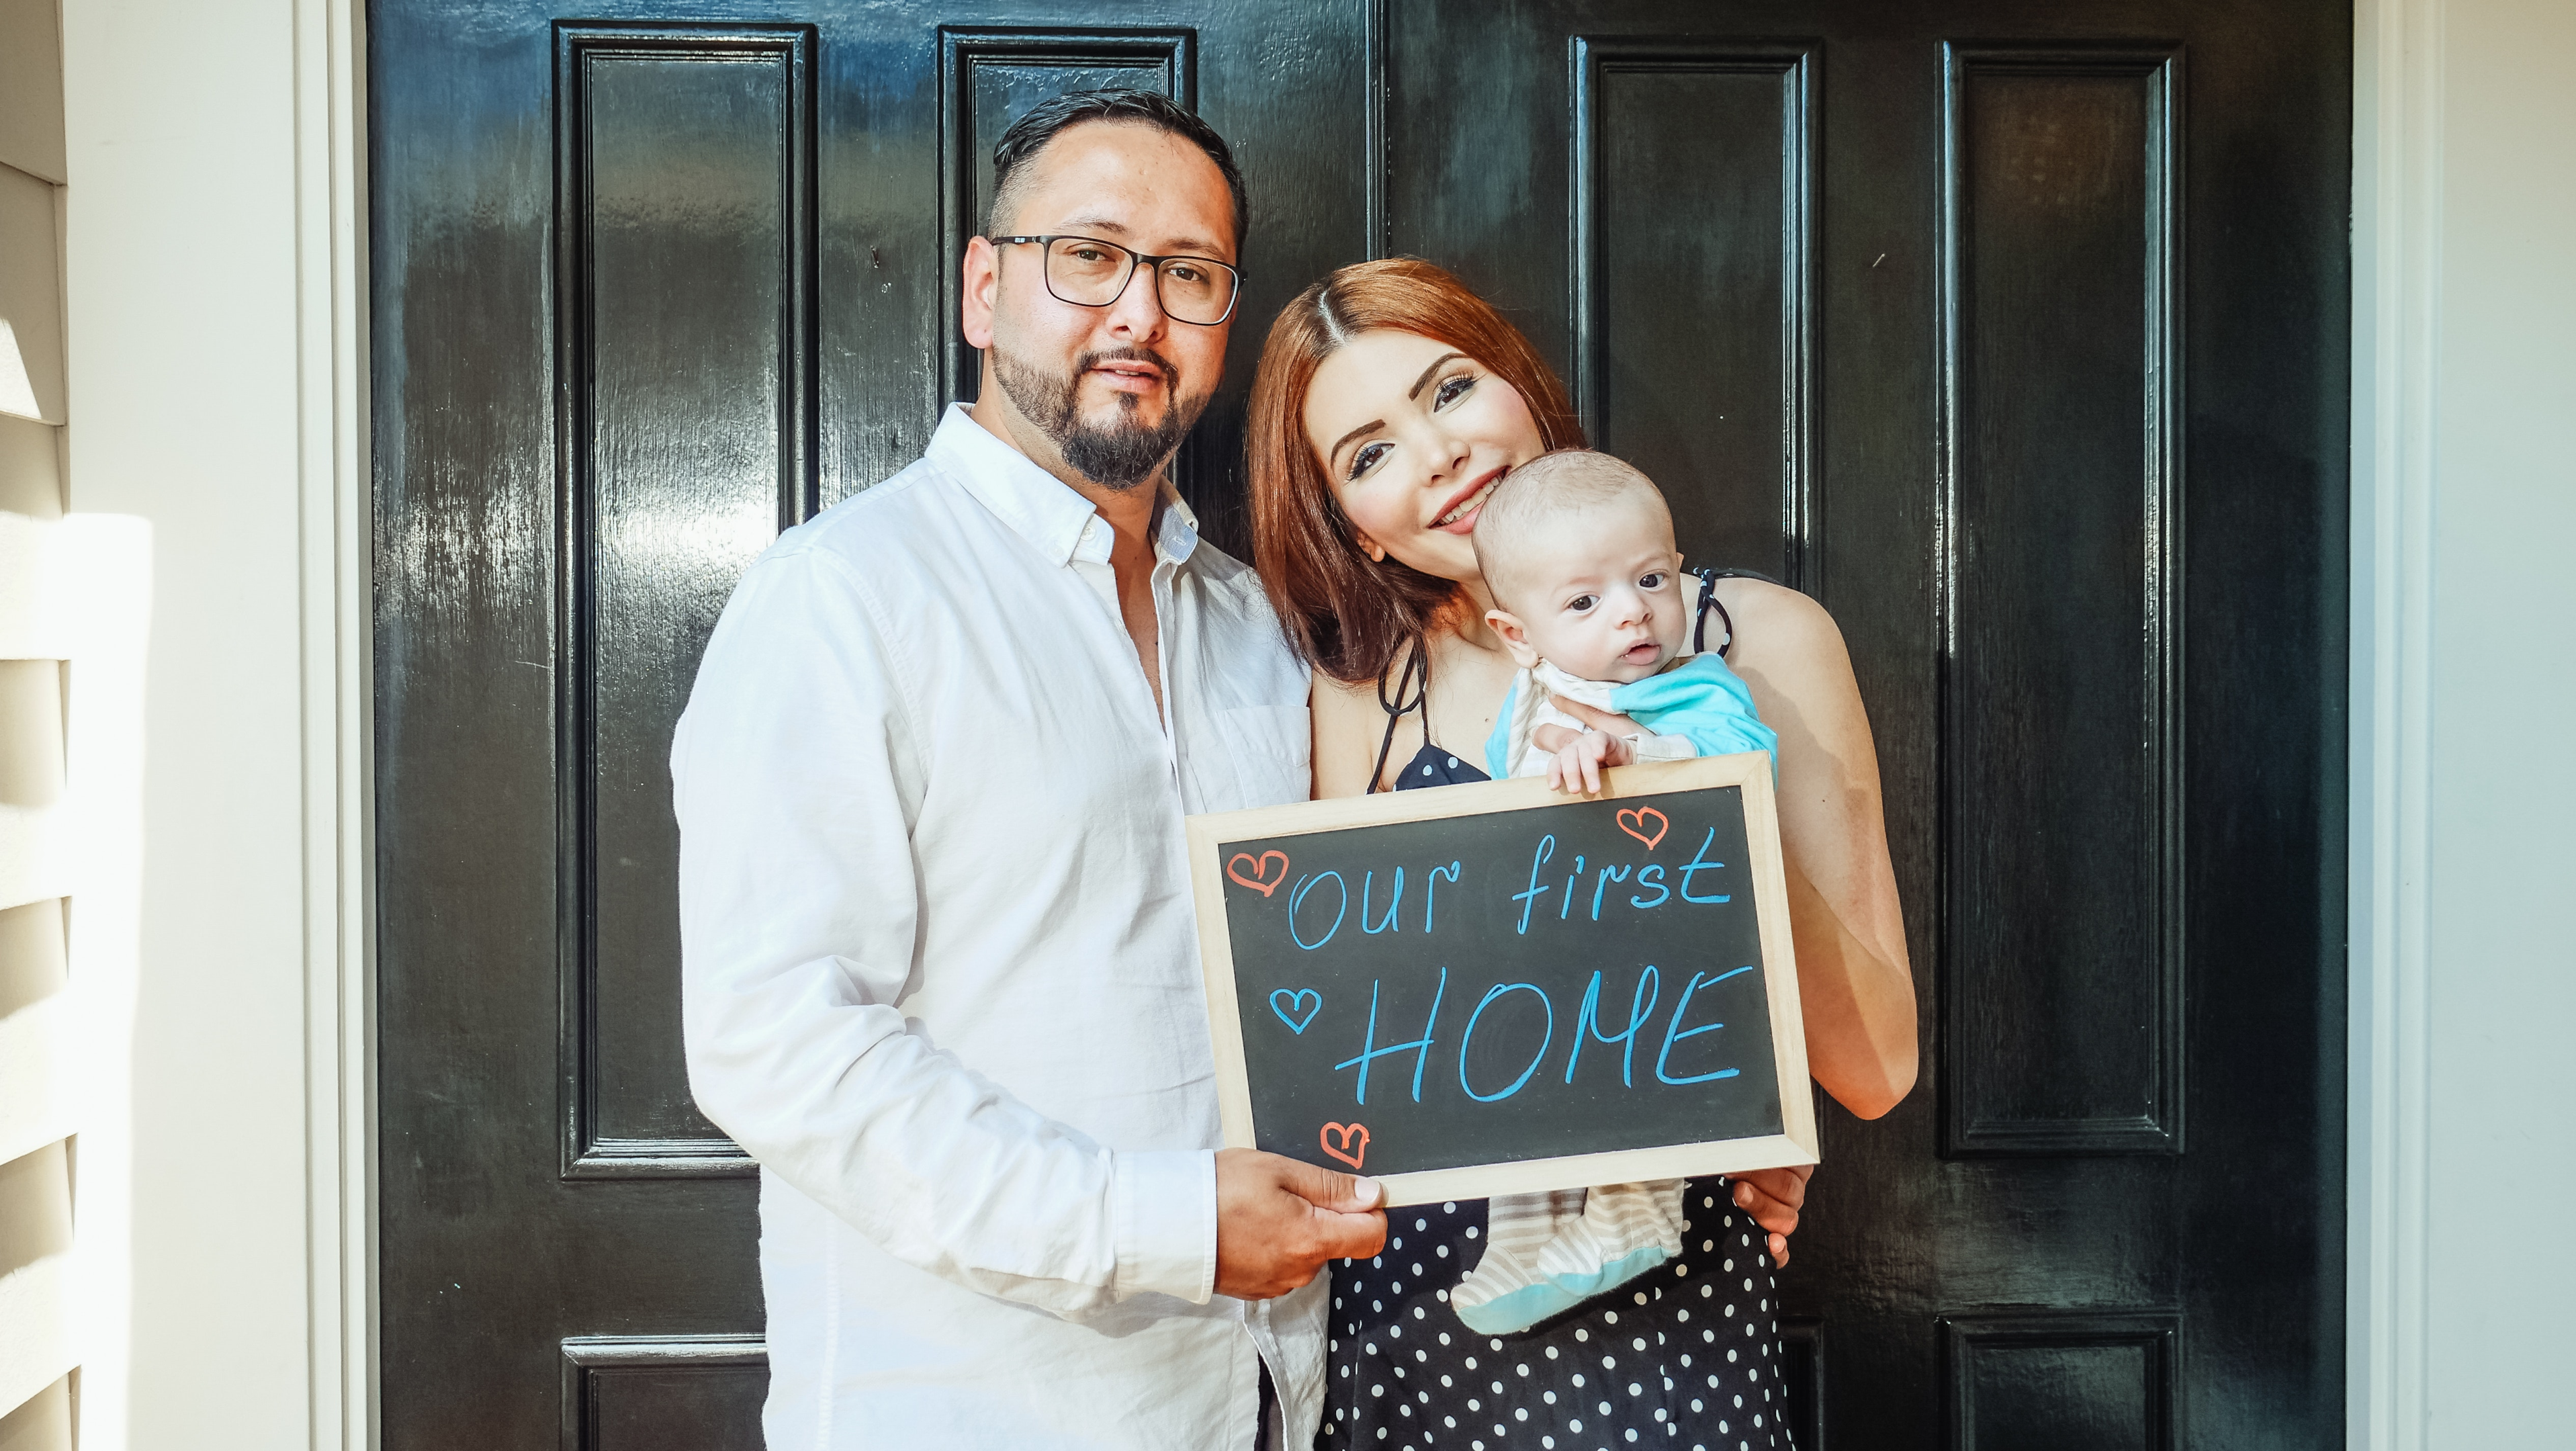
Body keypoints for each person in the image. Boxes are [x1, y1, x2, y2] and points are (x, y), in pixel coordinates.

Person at [673, 91, 1382, 1451]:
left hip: (1264, 1403)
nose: (1138, 314)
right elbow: (777, 1042)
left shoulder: (1256, 627)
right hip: (977, 1407)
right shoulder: (844, 601)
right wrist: (1165, 1226)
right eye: (1090, 256)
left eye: (1190, 274)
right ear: (985, 289)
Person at [1245, 257, 1917, 1450]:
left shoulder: (1748, 641)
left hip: (1671, 1310)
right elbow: (1338, 1060)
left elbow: (1873, 1067)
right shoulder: (1365, 700)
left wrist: (1697, 797)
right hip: (1414, 1312)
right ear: (1348, 519)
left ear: (1521, 384)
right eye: (1369, 452)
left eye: (1448, 391)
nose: (1436, 454)